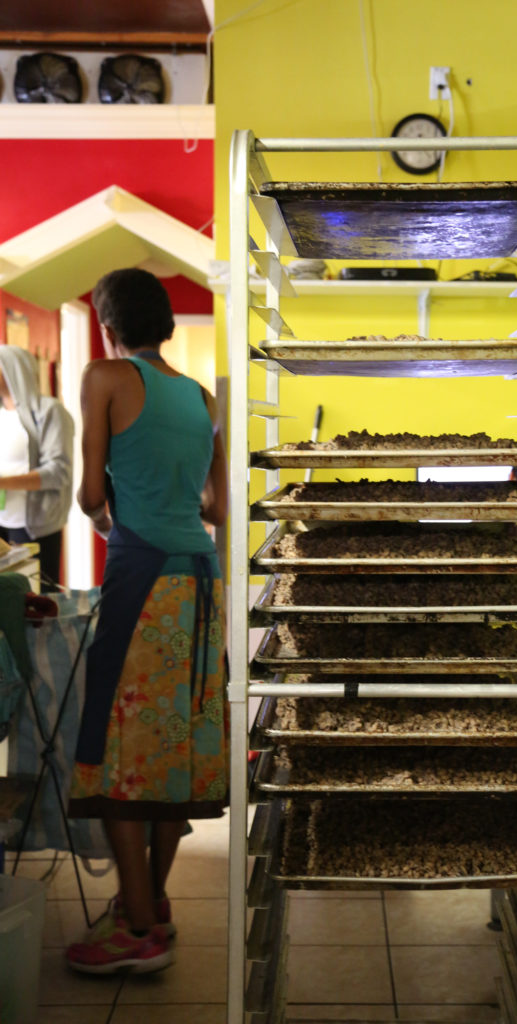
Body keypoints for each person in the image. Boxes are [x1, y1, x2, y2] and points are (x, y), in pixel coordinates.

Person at [66, 268, 229, 974]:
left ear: (108, 325)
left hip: (141, 582)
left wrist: (116, 518)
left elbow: (90, 493)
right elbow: (217, 509)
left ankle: (137, 930)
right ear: (164, 322)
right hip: (201, 585)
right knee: (173, 752)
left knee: (117, 750)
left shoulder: (103, 377)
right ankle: (150, 904)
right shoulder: (201, 397)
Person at [0, 345, 74, 587]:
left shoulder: (50, 412)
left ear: (12, 370)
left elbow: (58, 472)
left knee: (39, 603)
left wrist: (3, 482)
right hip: (3, 523)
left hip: (36, 528)